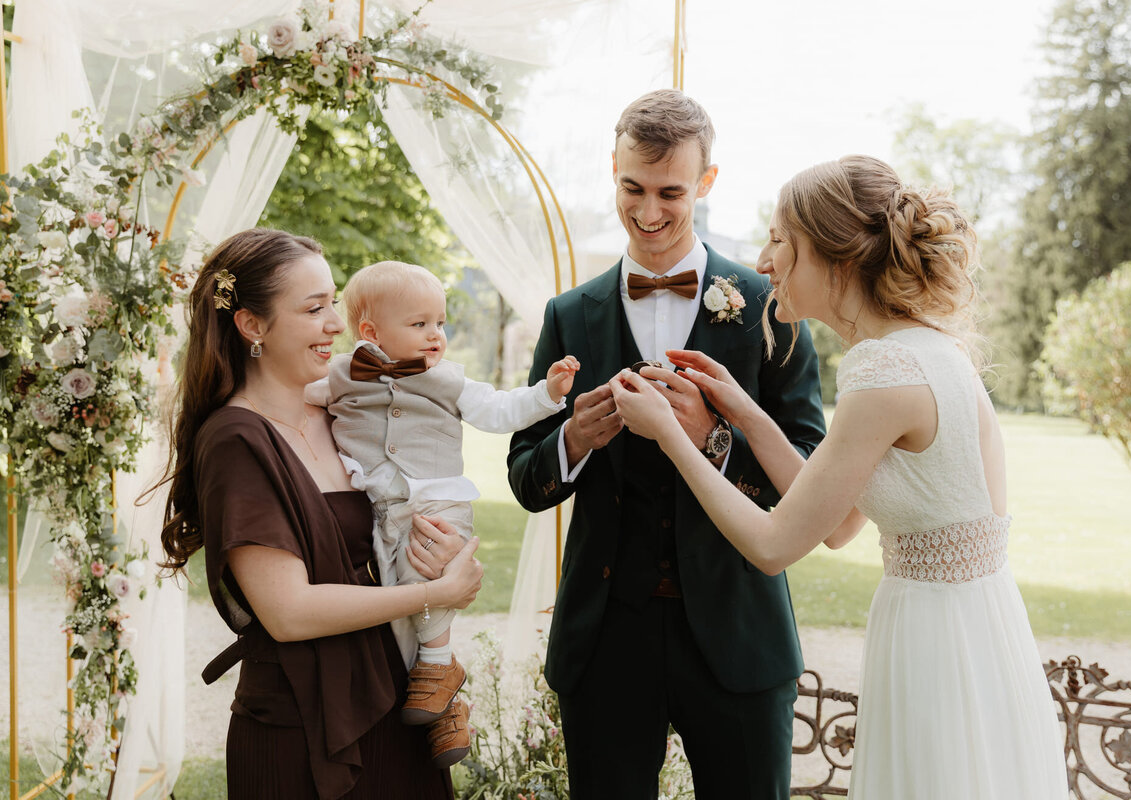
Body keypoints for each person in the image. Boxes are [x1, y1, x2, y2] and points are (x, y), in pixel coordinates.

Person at [610, 155, 1069, 799]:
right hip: (970, 628)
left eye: (780, 240)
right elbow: (842, 523)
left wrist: (670, 434)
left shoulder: (883, 376)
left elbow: (773, 545)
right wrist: (746, 414)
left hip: (939, 644)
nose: (764, 262)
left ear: (838, 260)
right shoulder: (923, 350)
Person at [507, 89, 827, 799]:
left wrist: (713, 438)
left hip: (738, 635)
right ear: (612, 170)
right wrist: (573, 441)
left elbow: (810, 477)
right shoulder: (569, 315)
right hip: (605, 640)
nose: (649, 211)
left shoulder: (770, 307)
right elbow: (526, 477)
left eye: (671, 192)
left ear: (706, 182)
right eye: (633, 188)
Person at [157, 229, 484, 799]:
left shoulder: (343, 417)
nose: (336, 323)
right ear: (252, 326)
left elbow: (393, 531)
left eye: (333, 303)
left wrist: (441, 554)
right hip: (303, 726)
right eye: (314, 309)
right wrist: (435, 594)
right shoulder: (236, 439)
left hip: (394, 701)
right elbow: (288, 612)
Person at [304, 260, 579, 758]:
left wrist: (547, 393)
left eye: (440, 323)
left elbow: (498, 410)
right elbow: (304, 397)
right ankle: (446, 700)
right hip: (379, 503)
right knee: (395, 597)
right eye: (420, 323)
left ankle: (436, 663)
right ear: (370, 332)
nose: (436, 335)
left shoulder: (449, 379)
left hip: (437, 501)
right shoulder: (342, 373)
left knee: (424, 571)